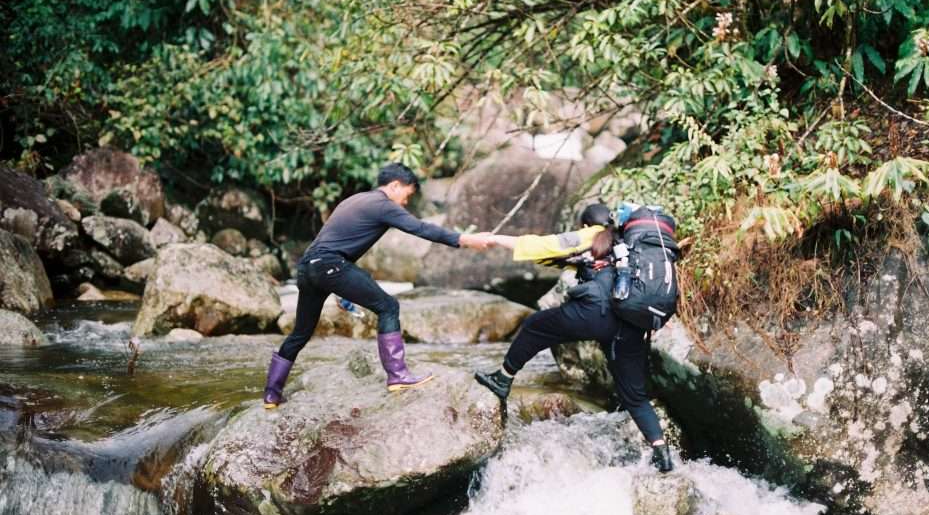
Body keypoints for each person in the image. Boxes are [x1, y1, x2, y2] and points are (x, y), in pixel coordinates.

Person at [263, 163, 493, 408]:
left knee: (300, 333)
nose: (405, 202)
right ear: (394, 186)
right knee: (388, 307)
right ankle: (398, 375)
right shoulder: (382, 205)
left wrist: (340, 290)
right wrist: (465, 239)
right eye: (407, 194)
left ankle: (271, 395)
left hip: (309, 267)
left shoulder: (356, 200)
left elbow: (334, 242)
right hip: (330, 265)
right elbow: (421, 228)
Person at [474, 203, 674, 472]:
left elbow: (541, 246)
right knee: (635, 397)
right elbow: (555, 259)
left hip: (595, 313)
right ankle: (661, 452)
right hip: (630, 325)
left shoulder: (589, 236)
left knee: (535, 325)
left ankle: (503, 379)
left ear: (585, 225)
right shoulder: (628, 244)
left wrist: (496, 239)